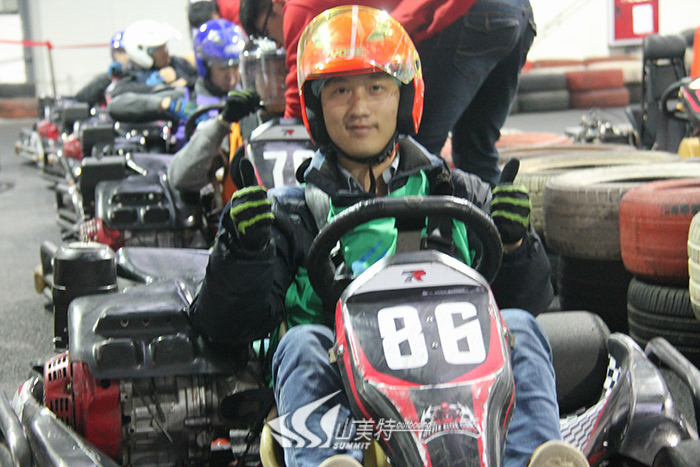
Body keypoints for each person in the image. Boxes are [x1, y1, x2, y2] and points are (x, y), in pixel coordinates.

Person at [190, 6, 585, 467]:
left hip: (461, 391)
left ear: (404, 96)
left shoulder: (458, 194)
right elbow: (227, 330)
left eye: (376, 88)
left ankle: (528, 458)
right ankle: (328, 461)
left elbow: (528, 299)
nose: (359, 109)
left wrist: (515, 245)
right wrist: (245, 252)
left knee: (520, 326)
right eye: (340, 90)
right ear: (316, 105)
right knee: (301, 343)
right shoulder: (291, 211)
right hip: (351, 404)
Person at [234, 0, 535, 186]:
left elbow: (297, 90)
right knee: (477, 154)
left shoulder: (297, 8)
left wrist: (278, 138)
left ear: (274, 5)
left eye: (266, 32)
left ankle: (418, 243)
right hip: (519, 12)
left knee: (413, 160)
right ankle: (503, 241)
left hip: (470, 13)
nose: (276, 42)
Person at [108, 19, 259, 156]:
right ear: (205, 66)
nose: (231, 77)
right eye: (223, 68)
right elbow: (116, 106)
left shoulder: (249, 97)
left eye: (235, 67)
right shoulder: (186, 95)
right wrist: (165, 104)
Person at [108, 19, 198, 98]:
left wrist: (186, 82)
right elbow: (118, 93)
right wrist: (163, 86)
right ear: (142, 52)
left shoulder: (177, 63)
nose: (166, 53)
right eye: (160, 49)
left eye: (165, 47)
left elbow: (199, 80)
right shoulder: (130, 74)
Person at [73, 30, 130, 108]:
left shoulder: (143, 77)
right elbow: (81, 99)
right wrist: (108, 78)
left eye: (127, 52)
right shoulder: (106, 80)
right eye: (120, 53)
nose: (125, 57)